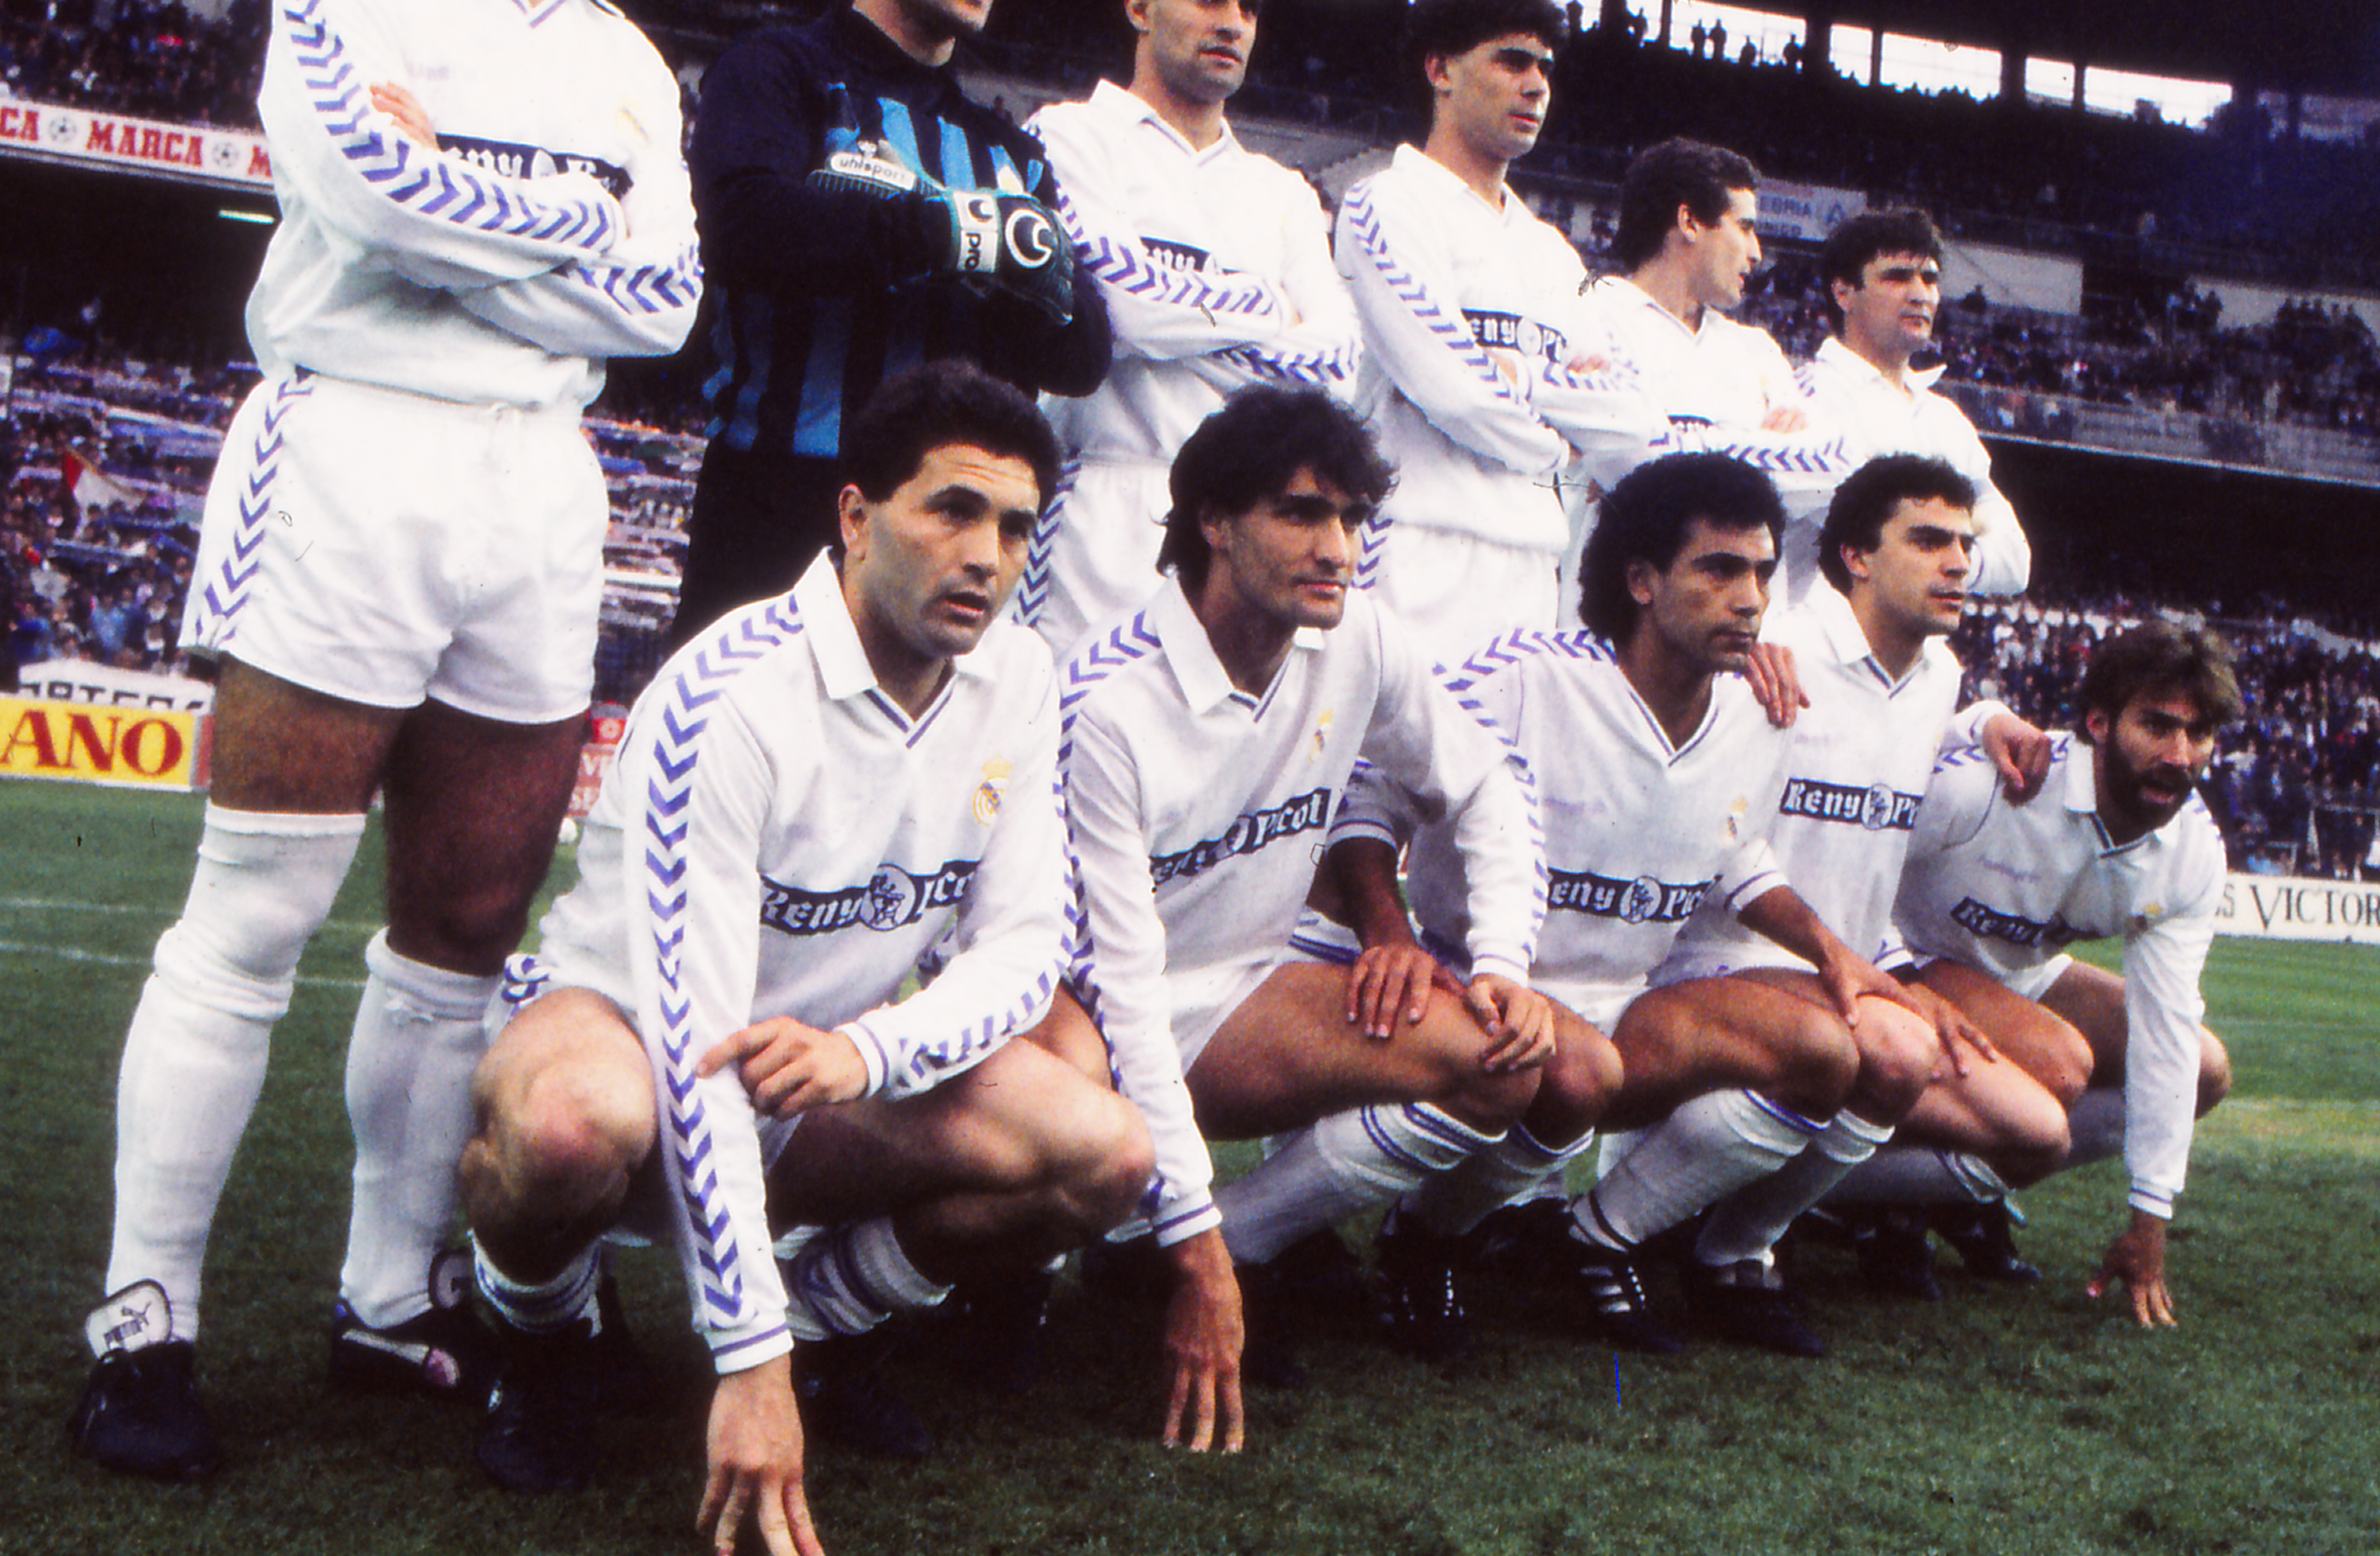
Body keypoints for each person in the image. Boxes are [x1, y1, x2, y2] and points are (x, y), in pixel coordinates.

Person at [70, 0, 703, 1482]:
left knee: (459, 943)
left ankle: (380, 1300)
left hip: (539, 482)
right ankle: (143, 1320)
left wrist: (476, 207)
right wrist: (559, 229)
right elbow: (357, 192)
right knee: (252, 918)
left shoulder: (623, 52)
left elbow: (660, 302)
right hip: (348, 440)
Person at [458, 363, 1151, 1549]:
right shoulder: (727, 698)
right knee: (573, 1127)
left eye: (1017, 524)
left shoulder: (1021, 677)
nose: (987, 552)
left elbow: (1027, 945)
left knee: (1103, 1152)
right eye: (952, 509)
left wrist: (863, 1051)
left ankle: (836, 1324)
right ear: (854, 515)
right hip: (632, 1042)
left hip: (812, 1069)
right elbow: (695, 1041)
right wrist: (745, 1360)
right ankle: (539, 1327)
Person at [1335, 454, 1989, 1356]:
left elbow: (1737, 858)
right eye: (1718, 570)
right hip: (1473, 987)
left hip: (1630, 1001)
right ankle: (1422, 1241)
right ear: (1641, 581)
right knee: (1569, 1071)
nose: (1751, 597)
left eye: (1761, 571)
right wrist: (1389, 934)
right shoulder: (1523, 679)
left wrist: (1836, 955)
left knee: (1829, 1050)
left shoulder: (1755, 714)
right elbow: (1368, 796)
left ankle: (1604, 1235)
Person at [1059, 385, 1550, 1450]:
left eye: (1350, 518)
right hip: (1084, 1017)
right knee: (1046, 1154)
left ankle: (1232, 1249)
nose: (1336, 546)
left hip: (1239, 994)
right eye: (1299, 513)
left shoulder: (1359, 636)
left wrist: (1503, 957)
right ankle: (897, 1305)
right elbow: (1115, 977)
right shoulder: (1105, 702)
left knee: (1504, 1058)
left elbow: (1486, 785)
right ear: (1213, 521)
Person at [1641, 455, 2060, 1345]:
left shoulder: (1939, 676)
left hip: (1856, 971)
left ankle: (1735, 1199)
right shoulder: (1774, 652)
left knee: (2034, 1133)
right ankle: (1717, 1246)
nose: (1957, 563)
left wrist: (1988, 719)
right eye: (1928, 540)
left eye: (1964, 544)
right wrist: (1844, 960)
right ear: (1854, 558)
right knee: (1897, 1061)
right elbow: (1713, 838)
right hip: (1727, 959)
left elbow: (1935, 716)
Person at [673, 0, 1111, 642]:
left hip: (950, 529)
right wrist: (951, 235)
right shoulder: (777, 71)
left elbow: (1082, 353)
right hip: (775, 511)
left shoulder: (1008, 148)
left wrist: (1034, 279)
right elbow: (741, 227)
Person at [1020, 0, 1357, 655]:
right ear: (1140, 6)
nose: (1232, 21)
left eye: (1249, 5)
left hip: (1247, 535)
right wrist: (1272, 305)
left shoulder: (1283, 190)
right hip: (1099, 512)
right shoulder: (1066, 135)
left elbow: (1336, 366)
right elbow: (1118, 313)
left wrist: (1175, 326)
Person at [1880, 620, 2240, 1326]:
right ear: (2097, 722)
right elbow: (1860, 830)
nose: (2178, 754)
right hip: (1899, 956)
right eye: (2157, 724)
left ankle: (1951, 1195)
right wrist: (1980, 717)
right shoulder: (1999, 781)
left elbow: (2165, 1027)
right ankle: (1875, 1204)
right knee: (2059, 1062)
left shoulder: (2191, 849)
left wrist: (2149, 1217)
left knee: (2201, 1064)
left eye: (2198, 735)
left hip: (2016, 975)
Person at [1337, 0, 1666, 661]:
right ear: (1441, 70)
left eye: (1545, 67)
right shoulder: (1389, 205)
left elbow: (1636, 420)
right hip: (1413, 550)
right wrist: (1561, 441)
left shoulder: (1550, 251)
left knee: (1501, 772)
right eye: (1512, 60)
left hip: (1532, 569)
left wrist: (1519, 377)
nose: (1536, 84)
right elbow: (1451, 389)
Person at [1568, 138, 1850, 601]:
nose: (1756, 252)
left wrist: (1656, 447)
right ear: (1689, 222)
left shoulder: (1756, 351)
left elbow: (1832, 480)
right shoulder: (1590, 316)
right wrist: (1767, 455)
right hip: (1611, 629)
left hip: (1738, 647)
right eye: (1744, 227)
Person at [1785, 209, 2030, 600]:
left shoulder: (1945, 420)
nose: (1920, 293)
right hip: (1817, 651)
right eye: (1897, 277)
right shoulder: (1804, 398)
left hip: (1919, 656)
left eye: (1929, 279)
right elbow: (1874, 542)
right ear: (1844, 292)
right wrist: (1964, 533)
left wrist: (1943, 563)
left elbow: (2016, 563)